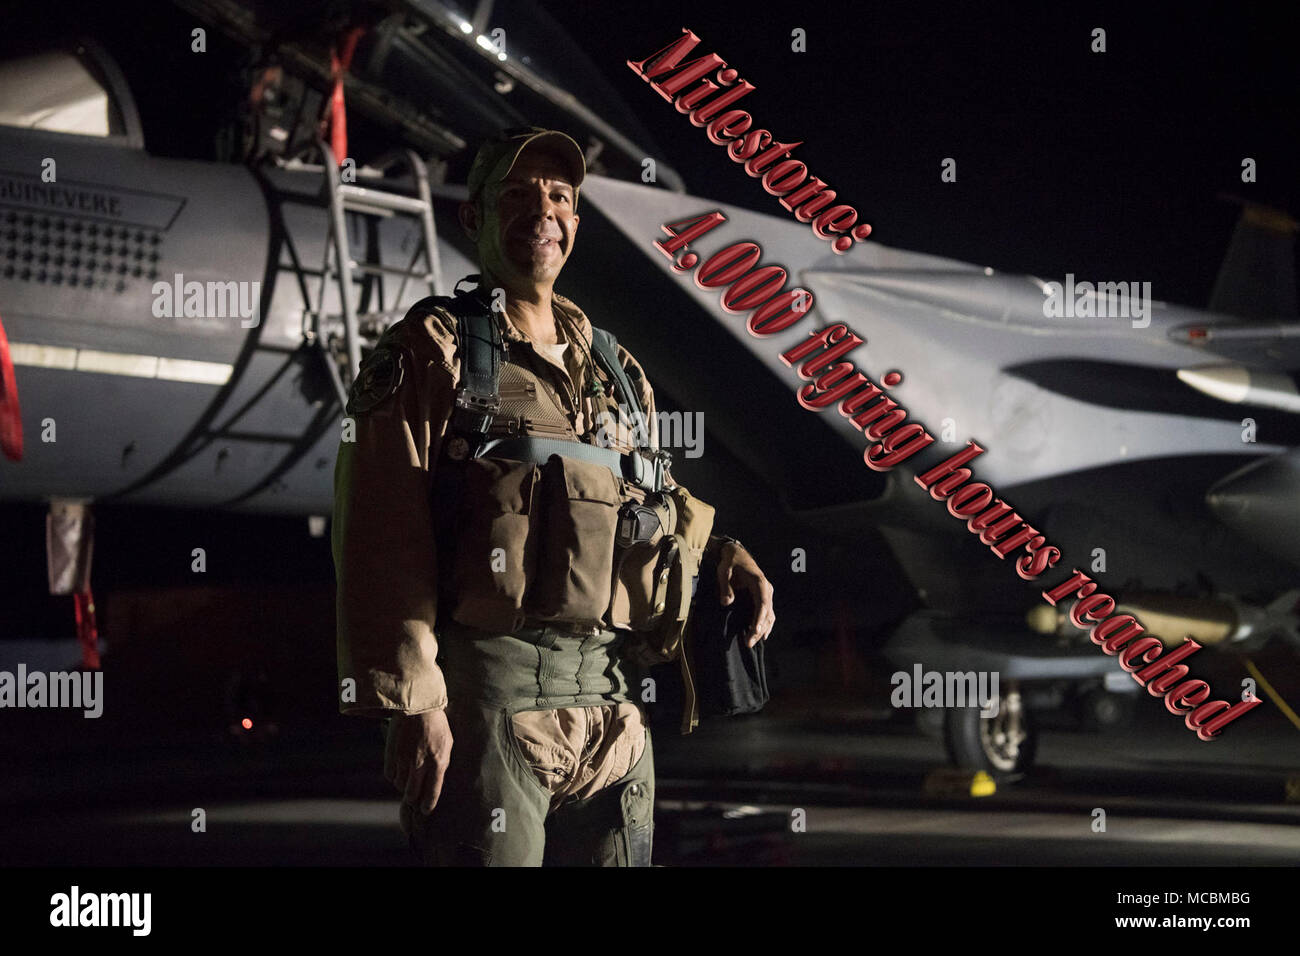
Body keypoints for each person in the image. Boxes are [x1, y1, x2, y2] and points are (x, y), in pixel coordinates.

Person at [333, 127, 775, 866]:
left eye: (560, 197)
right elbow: (380, 531)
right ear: (473, 218)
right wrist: (415, 703)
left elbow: (641, 502)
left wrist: (722, 555)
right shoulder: (429, 353)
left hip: (614, 703)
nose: (544, 211)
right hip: (490, 698)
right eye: (517, 193)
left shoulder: (616, 368)